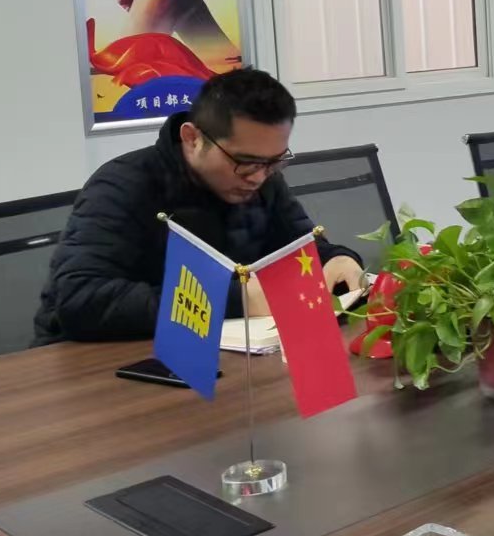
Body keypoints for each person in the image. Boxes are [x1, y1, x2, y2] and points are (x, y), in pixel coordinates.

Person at [34, 69, 361, 345]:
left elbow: (301, 248)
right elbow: (81, 299)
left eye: (274, 162)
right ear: (192, 138)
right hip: (104, 364)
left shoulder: (263, 179)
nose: (258, 177)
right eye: (245, 162)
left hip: (227, 353)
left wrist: (337, 259)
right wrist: (238, 300)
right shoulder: (122, 186)